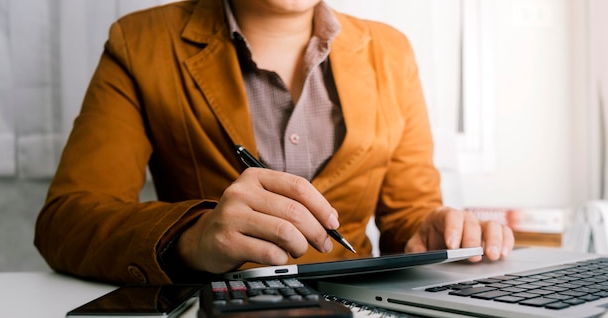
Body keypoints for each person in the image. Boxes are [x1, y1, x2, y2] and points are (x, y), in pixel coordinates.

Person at [34, 0, 514, 285]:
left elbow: (406, 220)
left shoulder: (390, 51)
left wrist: (429, 232)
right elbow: (66, 221)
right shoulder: (140, 42)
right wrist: (192, 237)